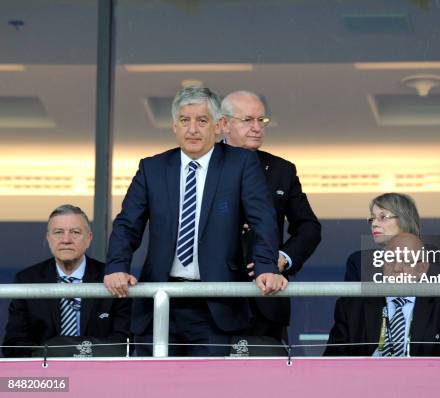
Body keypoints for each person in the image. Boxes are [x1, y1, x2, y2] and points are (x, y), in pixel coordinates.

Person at [103, 86, 287, 356]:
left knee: (209, 388)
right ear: (174, 126)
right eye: (185, 120)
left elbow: (263, 220)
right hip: (159, 301)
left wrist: (266, 267)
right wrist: (117, 266)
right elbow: (127, 223)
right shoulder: (152, 168)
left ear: (218, 126)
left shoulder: (241, 163)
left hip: (215, 305)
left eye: (202, 120)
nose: (192, 129)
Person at [220, 90, 321, 342]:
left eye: (261, 121)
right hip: (213, 301)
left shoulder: (281, 170)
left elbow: (309, 227)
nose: (257, 128)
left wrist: (282, 258)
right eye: (248, 120)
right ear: (224, 124)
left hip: (266, 302)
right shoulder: (203, 166)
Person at [2, 205, 131, 357]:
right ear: (48, 238)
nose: (66, 240)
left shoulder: (111, 278)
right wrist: (56, 353)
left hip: (100, 372)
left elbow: (124, 342)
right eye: (58, 232)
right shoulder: (27, 280)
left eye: (75, 232)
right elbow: (14, 343)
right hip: (46, 374)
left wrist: (74, 352)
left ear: (89, 238)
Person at [324, 233, 440, 357]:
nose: (396, 268)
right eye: (390, 259)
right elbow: (332, 363)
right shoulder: (351, 308)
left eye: (406, 261)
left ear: (422, 268)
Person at [344, 192, 421, 282]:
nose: (374, 224)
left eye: (383, 217)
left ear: (405, 220)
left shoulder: (435, 261)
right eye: (372, 218)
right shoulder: (359, 262)